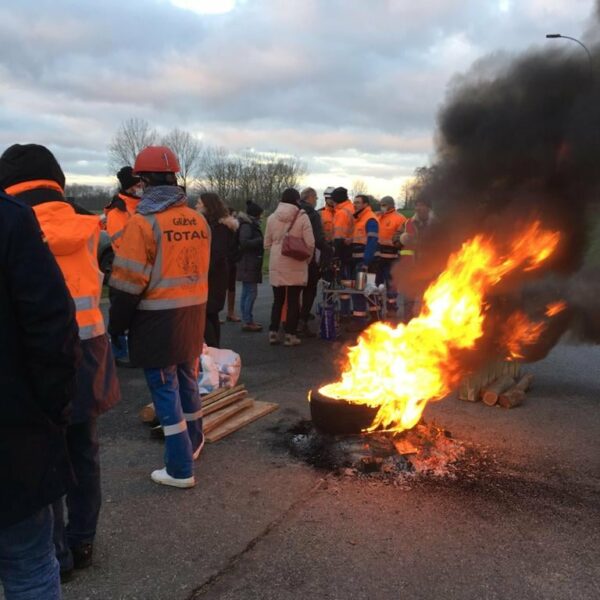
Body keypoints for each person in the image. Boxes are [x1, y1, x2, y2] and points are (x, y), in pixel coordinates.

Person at [0, 144, 121, 579]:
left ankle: (55, 555)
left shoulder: (14, 223)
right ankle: (82, 539)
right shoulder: (90, 226)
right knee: (84, 452)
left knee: (41, 460)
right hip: (89, 349)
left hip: (35, 356)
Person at [109, 145, 210, 489]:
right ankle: (195, 443)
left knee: (165, 390)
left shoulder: (144, 223)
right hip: (193, 316)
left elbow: (126, 283)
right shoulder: (198, 219)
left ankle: (180, 469)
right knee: (188, 381)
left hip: (157, 321)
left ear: (144, 181)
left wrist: (117, 327)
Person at [0, 187, 79, 600]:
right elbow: (53, 328)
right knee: (28, 566)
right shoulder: (12, 220)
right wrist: (52, 412)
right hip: (13, 440)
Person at [264, 188, 315, 346]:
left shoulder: (272, 218)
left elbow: (266, 243)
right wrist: (307, 260)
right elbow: (310, 243)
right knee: (293, 301)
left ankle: (273, 332)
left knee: (277, 300)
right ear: (296, 200)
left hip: (276, 263)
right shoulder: (302, 217)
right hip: (296, 262)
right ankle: (290, 335)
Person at [104, 166, 144, 365]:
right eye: (137, 184)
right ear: (129, 187)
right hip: (126, 270)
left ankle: (133, 350)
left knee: (138, 314)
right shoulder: (117, 210)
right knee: (120, 314)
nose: (141, 187)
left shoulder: (142, 205)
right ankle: (119, 353)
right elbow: (121, 243)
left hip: (142, 269)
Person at [197, 192, 238, 348]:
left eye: (199, 203)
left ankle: (213, 350)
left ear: (208, 206)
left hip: (213, 276)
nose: (196, 206)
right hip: (217, 274)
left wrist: (202, 269)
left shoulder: (218, 228)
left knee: (207, 313)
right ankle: (214, 350)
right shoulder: (218, 226)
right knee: (211, 314)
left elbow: (216, 253)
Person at [396, 196, 435, 322]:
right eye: (416, 205)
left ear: (428, 207)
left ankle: (429, 323)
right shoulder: (408, 222)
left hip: (429, 266)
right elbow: (396, 237)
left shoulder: (436, 224)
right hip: (410, 266)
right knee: (408, 297)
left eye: (421, 205)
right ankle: (408, 323)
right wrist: (401, 238)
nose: (418, 208)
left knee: (429, 296)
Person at [298, 186, 326, 337]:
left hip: (291, 255)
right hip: (308, 256)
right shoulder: (312, 214)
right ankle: (303, 321)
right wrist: (328, 249)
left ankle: (290, 322)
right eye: (315, 198)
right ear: (310, 197)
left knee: (294, 291)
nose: (316, 201)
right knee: (310, 288)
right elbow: (317, 238)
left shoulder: (293, 211)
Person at [349, 194, 379, 330]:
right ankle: (375, 319)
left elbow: (372, 242)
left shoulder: (370, 219)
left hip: (365, 263)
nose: (355, 205)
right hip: (361, 261)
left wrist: (365, 263)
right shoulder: (360, 219)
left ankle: (359, 322)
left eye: (358, 202)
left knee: (360, 291)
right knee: (369, 290)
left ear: (366, 204)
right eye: (354, 202)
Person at [376, 196, 407, 317]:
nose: (381, 207)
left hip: (392, 257)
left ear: (390, 205)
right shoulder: (378, 217)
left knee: (392, 284)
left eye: (383, 205)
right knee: (377, 284)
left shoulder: (400, 219)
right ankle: (377, 308)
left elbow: (402, 238)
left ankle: (392, 308)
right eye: (381, 205)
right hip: (378, 258)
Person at [236, 200, 265, 332]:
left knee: (246, 292)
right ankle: (248, 321)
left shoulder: (246, 224)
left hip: (247, 263)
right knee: (251, 293)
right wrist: (260, 241)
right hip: (249, 263)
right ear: (256, 215)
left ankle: (247, 319)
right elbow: (244, 243)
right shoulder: (247, 226)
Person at [331, 187, 355, 317]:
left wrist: (335, 255)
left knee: (344, 282)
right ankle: (352, 309)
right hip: (354, 250)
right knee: (354, 282)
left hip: (344, 252)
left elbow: (339, 237)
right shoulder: (353, 208)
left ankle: (345, 311)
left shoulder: (341, 213)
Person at [225, 206, 241, 323]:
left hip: (231, 260)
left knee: (231, 287)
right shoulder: (219, 227)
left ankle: (230, 312)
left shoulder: (235, 228)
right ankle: (214, 313)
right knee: (218, 288)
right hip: (223, 260)